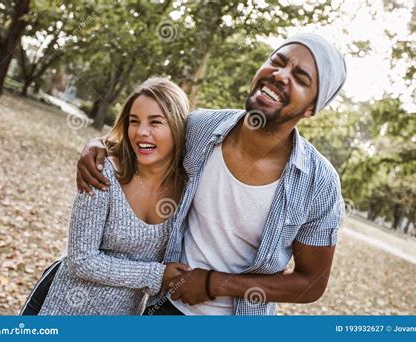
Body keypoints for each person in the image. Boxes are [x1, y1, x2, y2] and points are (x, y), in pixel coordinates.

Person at [26, 32, 347, 315]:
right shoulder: (199, 128)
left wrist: (214, 284)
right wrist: (99, 145)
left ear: (311, 108)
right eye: (277, 61)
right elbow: (144, 137)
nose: (280, 75)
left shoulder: (319, 184)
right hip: (162, 307)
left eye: (301, 77)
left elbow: (311, 283)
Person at [21, 77, 191, 315]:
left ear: (177, 126)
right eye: (134, 121)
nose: (141, 132)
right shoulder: (102, 172)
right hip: (61, 307)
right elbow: (82, 261)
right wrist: (157, 275)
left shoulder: (188, 188)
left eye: (156, 122)